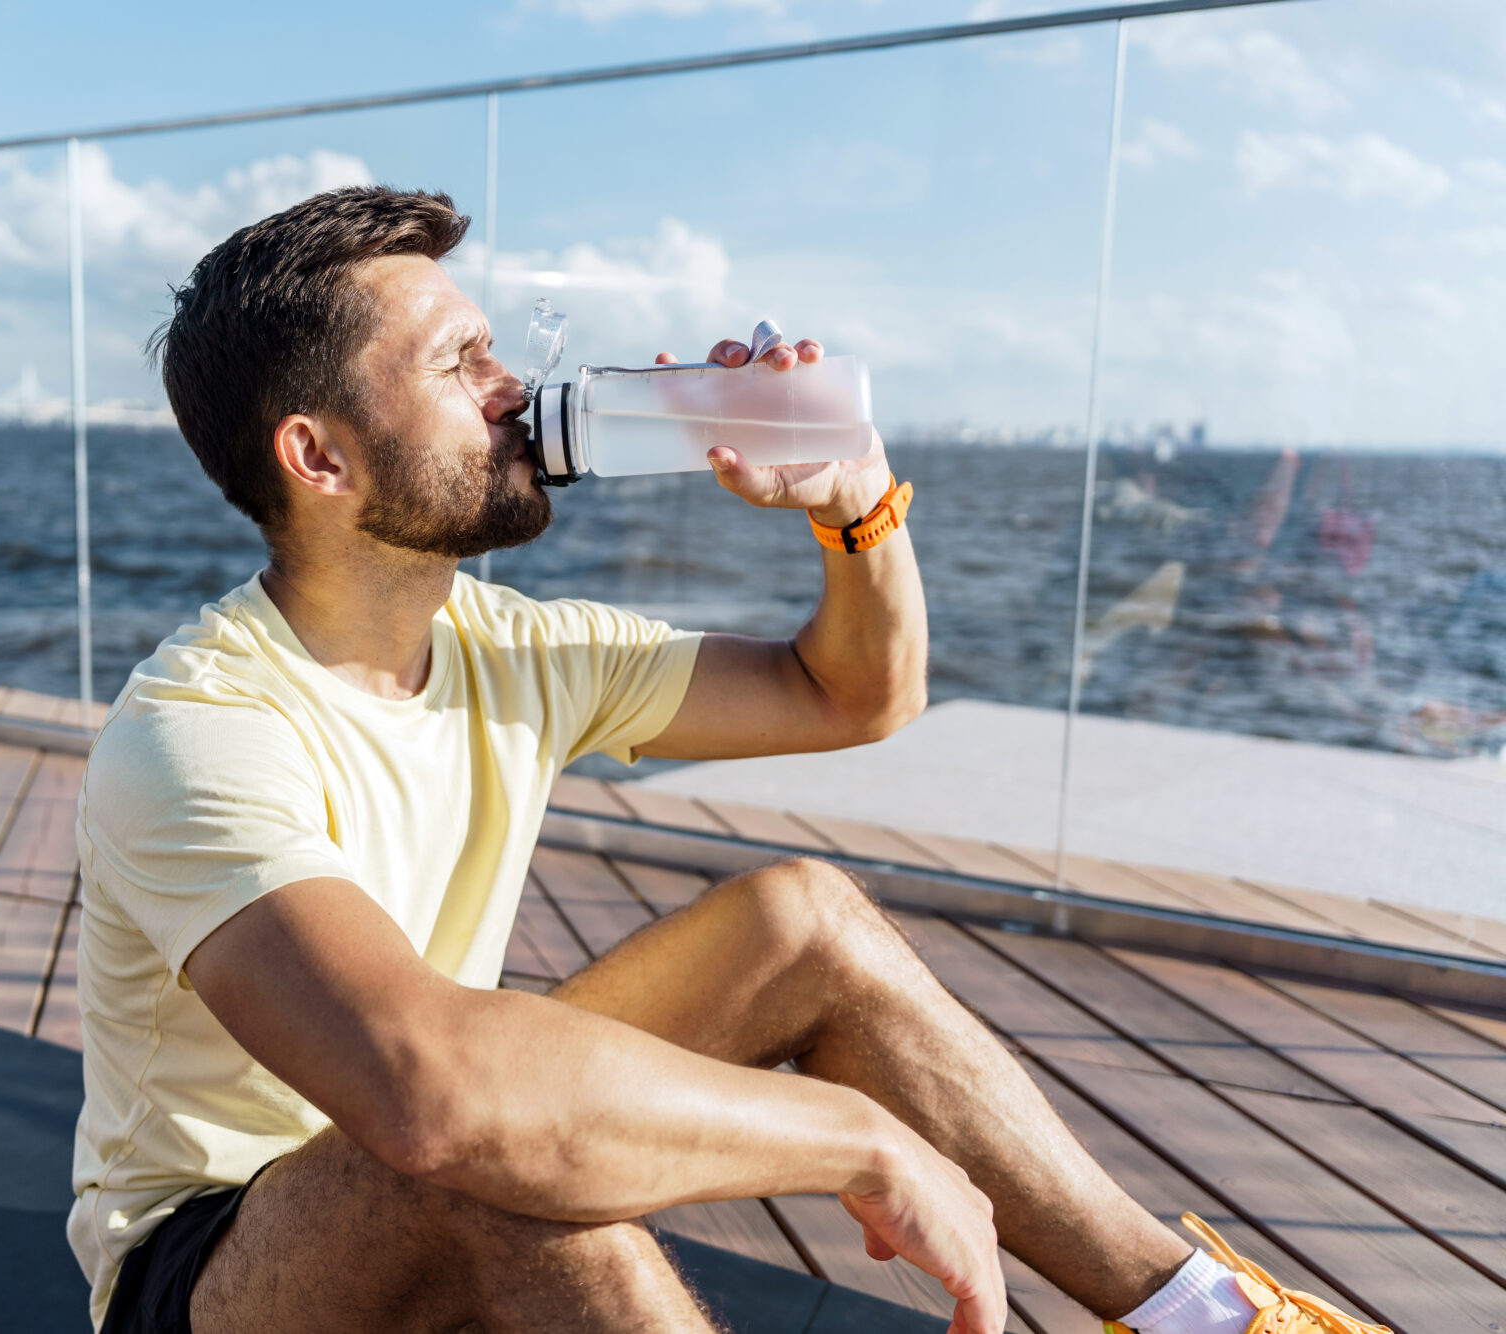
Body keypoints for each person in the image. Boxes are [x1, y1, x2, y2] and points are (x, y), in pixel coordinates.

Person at [68, 186, 1386, 1334]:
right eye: (460, 363)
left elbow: (854, 693)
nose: (511, 389)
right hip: (219, 1274)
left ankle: (1197, 1312)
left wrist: (852, 501)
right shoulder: (194, 731)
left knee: (801, 919)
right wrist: (862, 1141)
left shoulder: (512, 647)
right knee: (493, 1159)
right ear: (320, 454)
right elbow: (431, 1097)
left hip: (422, 1139)